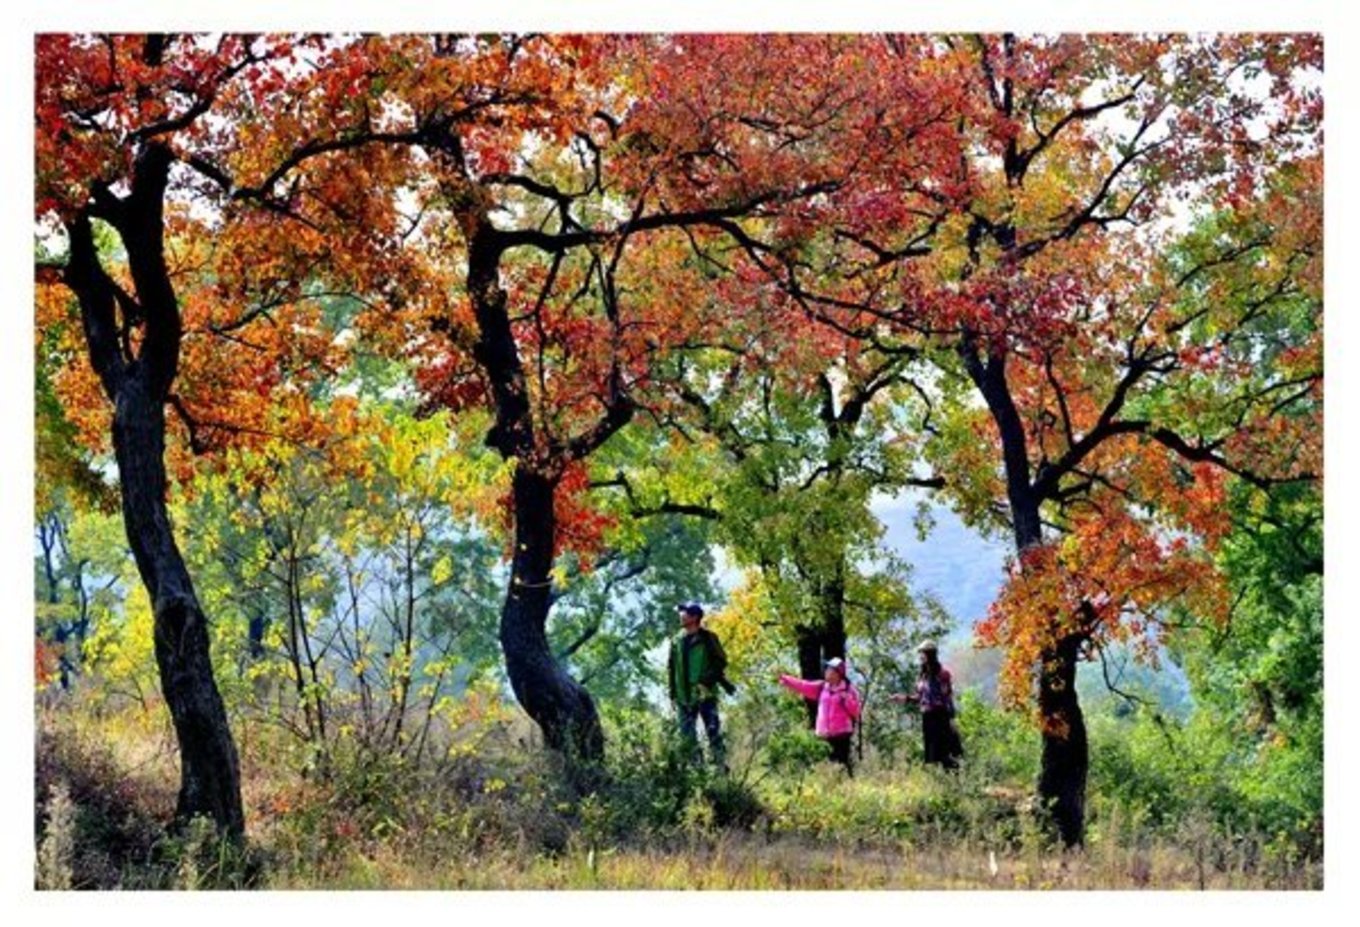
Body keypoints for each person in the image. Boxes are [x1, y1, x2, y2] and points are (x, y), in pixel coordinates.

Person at [667, 602, 732, 768]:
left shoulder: (709, 638)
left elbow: (721, 662)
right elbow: (671, 669)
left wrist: (706, 682)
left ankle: (720, 769)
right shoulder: (676, 641)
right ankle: (698, 772)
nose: (681, 615)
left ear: (695, 617)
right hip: (683, 698)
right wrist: (672, 695)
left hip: (705, 696)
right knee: (687, 738)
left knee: (713, 733)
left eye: (685, 613)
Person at [776, 657, 862, 775]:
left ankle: (844, 789)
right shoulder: (821, 687)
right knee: (822, 767)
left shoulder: (849, 690)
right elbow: (803, 685)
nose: (826, 671)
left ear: (837, 674)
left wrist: (847, 700)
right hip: (822, 735)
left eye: (829, 669)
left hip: (841, 737)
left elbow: (856, 712)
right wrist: (785, 679)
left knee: (840, 767)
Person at [889, 640, 963, 769]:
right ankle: (942, 784)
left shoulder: (942, 674)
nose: (921, 656)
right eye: (920, 654)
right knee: (932, 755)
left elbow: (947, 698)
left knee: (945, 752)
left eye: (923, 653)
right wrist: (903, 698)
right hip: (927, 717)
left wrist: (951, 718)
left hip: (940, 716)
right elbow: (919, 697)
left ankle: (956, 782)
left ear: (931, 654)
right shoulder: (922, 676)